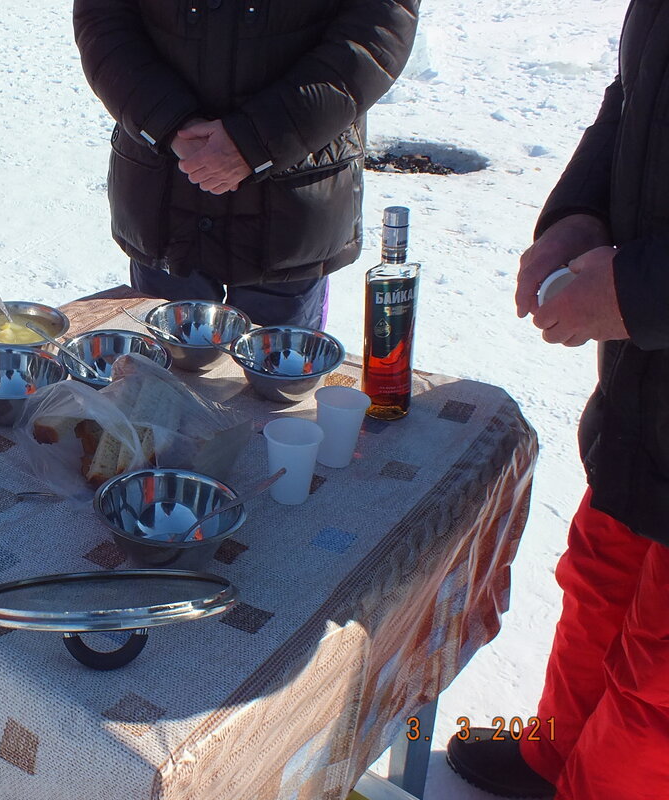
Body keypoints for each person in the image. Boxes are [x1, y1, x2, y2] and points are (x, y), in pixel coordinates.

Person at [445, 3, 669, 798]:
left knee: (658, 693)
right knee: (600, 580)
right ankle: (552, 759)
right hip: (645, 402)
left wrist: (643, 290)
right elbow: (635, 98)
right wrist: (579, 214)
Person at [72, 0, 419, 328]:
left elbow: (377, 33)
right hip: (168, 191)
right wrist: (168, 124)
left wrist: (257, 141)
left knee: (277, 383)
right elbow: (104, 19)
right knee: (160, 381)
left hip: (292, 196)